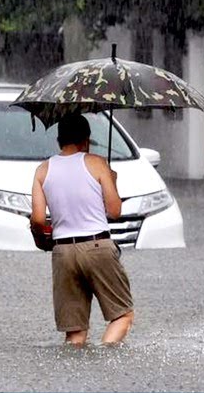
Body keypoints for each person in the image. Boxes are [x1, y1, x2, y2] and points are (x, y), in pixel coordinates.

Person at [31, 113, 134, 346]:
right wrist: (111, 180)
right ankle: (104, 356)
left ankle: (76, 367)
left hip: (63, 252)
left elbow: (38, 219)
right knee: (122, 316)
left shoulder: (42, 170)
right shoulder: (97, 163)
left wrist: (43, 236)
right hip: (97, 247)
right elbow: (115, 211)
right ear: (86, 140)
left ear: (59, 140)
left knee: (75, 333)